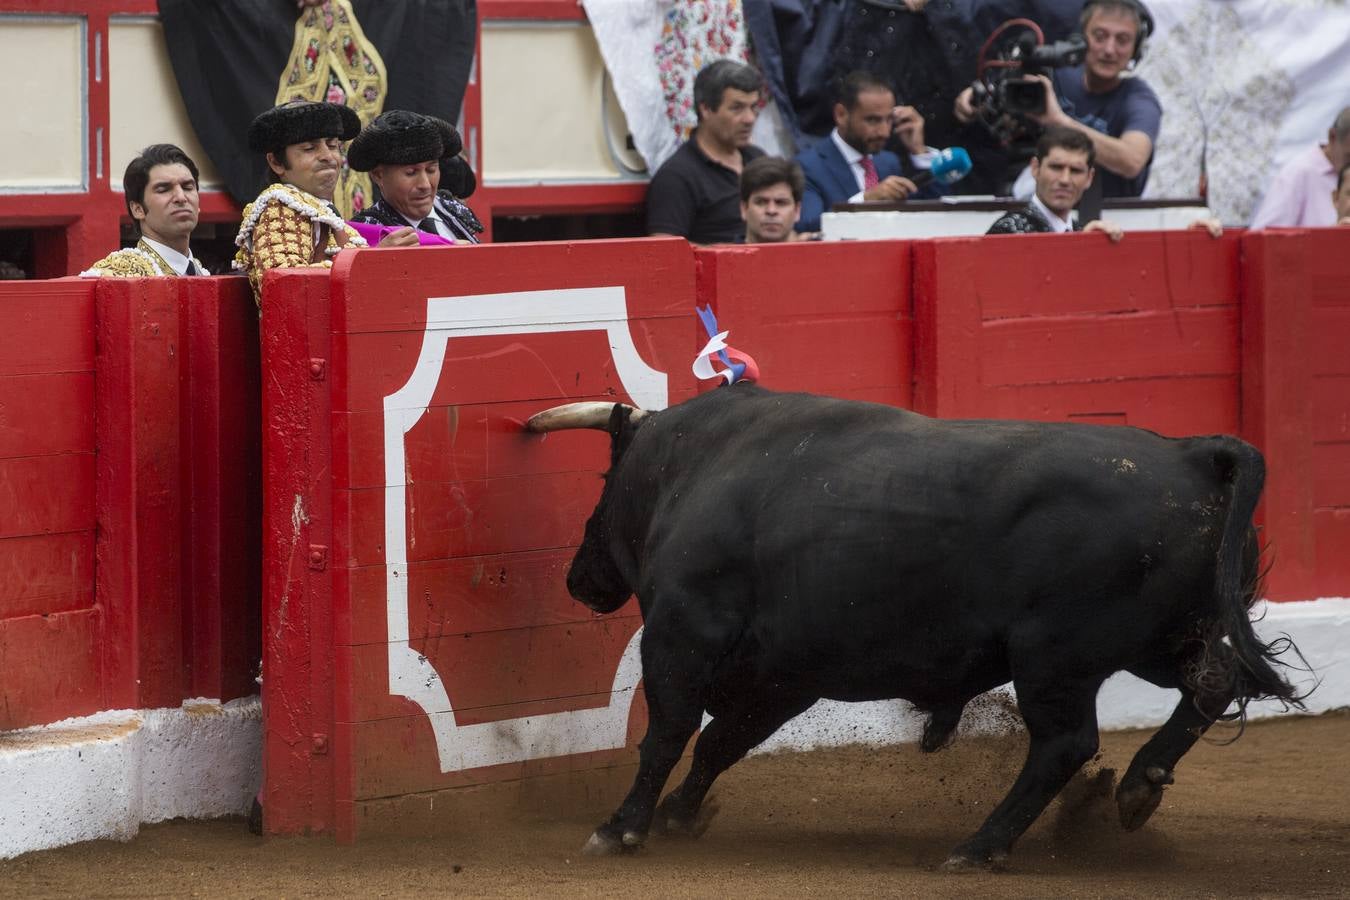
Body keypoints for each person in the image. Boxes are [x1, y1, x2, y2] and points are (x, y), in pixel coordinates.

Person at [956, 0, 1161, 198]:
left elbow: (1132, 160)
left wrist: (1057, 121)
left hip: (1112, 223)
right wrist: (977, 99)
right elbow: (988, 97)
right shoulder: (1053, 78)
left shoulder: (1139, 98)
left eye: (1122, 40)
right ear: (1081, 38)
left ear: (1136, 48)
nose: (1109, 49)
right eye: (1100, 36)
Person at [234, 100, 411, 303]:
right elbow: (284, 284)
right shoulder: (280, 206)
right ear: (276, 162)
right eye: (310, 148)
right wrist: (372, 261)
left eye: (333, 145)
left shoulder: (318, 209)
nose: (328, 156)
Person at [795, 72, 949, 233]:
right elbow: (807, 225)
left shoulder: (889, 162)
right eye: (872, 120)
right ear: (841, 114)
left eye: (889, 119)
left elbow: (936, 217)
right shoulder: (808, 166)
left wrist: (919, 151)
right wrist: (865, 201)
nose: (884, 132)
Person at [647, 60, 766, 244]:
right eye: (737, 108)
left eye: (753, 107)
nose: (749, 119)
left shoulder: (758, 160)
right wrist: (719, 254)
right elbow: (664, 248)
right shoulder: (677, 176)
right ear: (706, 109)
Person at [347, 110, 483, 245]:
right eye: (411, 172)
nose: (425, 185)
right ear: (378, 175)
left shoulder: (450, 210)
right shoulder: (365, 235)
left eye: (431, 170)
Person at [82, 144, 208, 277]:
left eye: (187, 187)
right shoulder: (114, 276)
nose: (181, 197)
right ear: (138, 209)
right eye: (163, 189)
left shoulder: (203, 274)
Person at [986, 127, 1122, 240]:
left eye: (1076, 170)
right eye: (1056, 167)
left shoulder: (1083, 232)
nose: (1065, 179)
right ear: (1035, 168)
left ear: (1089, 178)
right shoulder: (1006, 230)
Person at [1250, 108, 1350, 229]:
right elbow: (1264, 237)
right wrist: (1330, 238)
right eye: (1348, 156)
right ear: (1332, 137)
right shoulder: (1298, 173)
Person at [738, 157, 809, 244]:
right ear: (744, 209)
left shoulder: (816, 257)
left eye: (781, 203)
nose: (771, 211)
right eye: (761, 202)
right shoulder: (721, 257)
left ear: (797, 211)